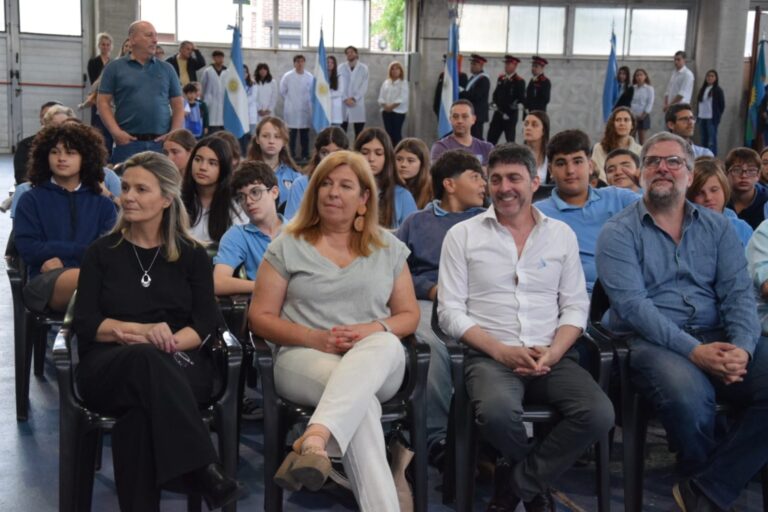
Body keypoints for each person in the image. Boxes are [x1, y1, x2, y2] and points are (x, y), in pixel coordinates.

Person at [595, 132, 768, 512]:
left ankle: (705, 490)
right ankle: (707, 484)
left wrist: (742, 347)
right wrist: (696, 352)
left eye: (674, 162)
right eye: (654, 161)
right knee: (689, 398)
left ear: (690, 174)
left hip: (719, 333)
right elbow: (635, 308)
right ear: (642, 173)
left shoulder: (718, 228)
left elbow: (738, 295)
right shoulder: (617, 232)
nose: (663, 168)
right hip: (650, 342)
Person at [438, 143, 614, 512]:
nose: (504, 188)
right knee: (498, 412)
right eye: (496, 179)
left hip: (551, 354)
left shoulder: (560, 234)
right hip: (490, 356)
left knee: (599, 413)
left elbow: (575, 306)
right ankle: (533, 484)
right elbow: (449, 312)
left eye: (514, 178)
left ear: (535, 182)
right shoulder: (463, 235)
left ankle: (517, 485)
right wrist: (501, 350)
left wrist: (554, 351)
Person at [73, 151, 247, 511]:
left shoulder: (193, 256)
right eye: (125, 188)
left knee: (137, 419)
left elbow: (205, 322)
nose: (128, 197)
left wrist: (166, 340)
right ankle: (202, 467)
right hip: (108, 366)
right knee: (144, 358)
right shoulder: (101, 253)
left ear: (167, 199)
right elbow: (87, 323)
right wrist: (141, 331)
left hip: (179, 360)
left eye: (141, 189)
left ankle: (192, 473)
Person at [248, 150, 420, 511]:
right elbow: (260, 318)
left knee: (386, 342)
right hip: (305, 358)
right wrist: (314, 337)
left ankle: (315, 437)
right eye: (324, 183)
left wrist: (370, 329)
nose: (332, 192)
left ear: (364, 198)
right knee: (362, 405)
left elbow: (408, 316)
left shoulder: (388, 247)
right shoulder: (287, 244)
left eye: (345, 185)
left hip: (377, 361)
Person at [395, 149, 486, 470]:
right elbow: (400, 272)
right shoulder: (417, 223)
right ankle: (437, 439)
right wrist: (430, 289)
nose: (483, 184)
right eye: (475, 176)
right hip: (428, 298)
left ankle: (488, 434)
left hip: (479, 300)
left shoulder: (487, 220)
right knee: (428, 345)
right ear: (449, 183)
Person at [14, 122, 117, 314]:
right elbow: (28, 247)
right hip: (44, 278)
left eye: (70, 153)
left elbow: (108, 250)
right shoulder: (31, 199)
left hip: (93, 276)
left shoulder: (103, 204)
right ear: (45, 156)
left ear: (86, 157)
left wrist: (64, 258)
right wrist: (80, 253)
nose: (61, 158)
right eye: (55, 152)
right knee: (99, 285)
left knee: (100, 283)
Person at [535, 130, 639, 294]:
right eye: (561, 163)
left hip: (627, 292)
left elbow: (669, 214)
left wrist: (646, 184)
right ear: (550, 171)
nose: (570, 170)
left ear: (590, 166)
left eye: (577, 161)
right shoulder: (538, 213)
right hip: (569, 300)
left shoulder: (619, 198)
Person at [98, 21, 183, 165]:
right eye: (149, 35)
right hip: (127, 144)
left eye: (156, 36)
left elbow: (178, 105)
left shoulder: (167, 69)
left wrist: (173, 134)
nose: (155, 40)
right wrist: (116, 133)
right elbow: (102, 102)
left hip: (161, 145)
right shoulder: (114, 68)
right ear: (132, 39)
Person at [213, 161, 283, 296]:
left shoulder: (298, 230)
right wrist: (268, 286)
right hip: (263, 306)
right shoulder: (237, 235)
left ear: (274, 192)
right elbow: (218, 282)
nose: (248, 201)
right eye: (241, 197)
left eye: (255, 192)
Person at [182, 136, 246, 245]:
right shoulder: (178, 200)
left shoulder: (236, 204)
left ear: (223, 168)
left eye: (212, 163)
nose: (202, 167)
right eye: (198, 159)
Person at [355, 128, 417, 229]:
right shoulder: (347, 191)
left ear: (387, 157)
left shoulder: (402, 195)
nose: (371, 159)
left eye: (378, 153)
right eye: (365, 152)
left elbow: (413, 237)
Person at [284, 126, 349, 220]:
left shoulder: (353, 185)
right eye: (324, 152)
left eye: (336, 153)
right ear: (317, 154)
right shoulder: (301, 184)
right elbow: (290, 227)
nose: (329, 159)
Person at [687, 158, 752, 246]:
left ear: (724, 190)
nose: (708, 198)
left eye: (714, 190)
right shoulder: (683, 230)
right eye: (699, 193)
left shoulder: (741, 228)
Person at [246, 116, 302, 209]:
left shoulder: (295, 177)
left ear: (284, 141)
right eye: (265, 136)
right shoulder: (245, 173)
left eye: (277, 137)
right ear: (257, 139)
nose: (271, 141)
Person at [13, 100, 64, 185]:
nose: (49, 119)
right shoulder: (26, 145)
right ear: (41, 120)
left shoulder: (77, 144)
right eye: (45, 116)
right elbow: (21, 176)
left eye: (53, 115)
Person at [430, 99, 493, 166]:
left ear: (473, 119)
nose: (460, 121)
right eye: (455, 116)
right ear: (450, 119)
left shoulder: (487, 148)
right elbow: (438, 174)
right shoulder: (441, 147)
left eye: (464, 116)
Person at [592, 107, 642, 181]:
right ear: (613, 124)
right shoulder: (599, 148)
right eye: (618, 120)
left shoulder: (641, 150)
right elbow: (599, 174)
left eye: (626, 120)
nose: (622, 123)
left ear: (632, 126)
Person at [725, 146, 768, 230]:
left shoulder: (766, 201)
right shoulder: (720, 198)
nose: (744, 176)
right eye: (737, 170)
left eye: (751, 171)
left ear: (758, 175)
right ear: (726, 173)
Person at [280, 55, 313, 162]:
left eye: (302, 61)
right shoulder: (288, 76)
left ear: (304, 63)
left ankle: (305, 155)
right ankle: (291, 156)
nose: (300, 63)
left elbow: (312, 92)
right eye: (298, 61)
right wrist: (291, 101)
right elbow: (282, 91)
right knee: (291, 136)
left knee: (305, 136)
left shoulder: (310, 77)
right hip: (291, 110)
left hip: (305, 110)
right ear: (294, 63)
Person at [487, 55, 526, 145]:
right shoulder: (501, 78)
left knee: (510, 140)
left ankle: (512, 158)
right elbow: (495, 94)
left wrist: (510, 110)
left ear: (515, 66)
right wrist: (495, 103)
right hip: (498, 113)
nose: (506, 66)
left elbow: (521, 99)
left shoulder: (519, 81)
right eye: (506, 64)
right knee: (491, 138)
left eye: (509, 64)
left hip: (510, 115)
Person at [87, 32, 114, 156]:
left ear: (111, 46)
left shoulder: (114, 63)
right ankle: (97, 153)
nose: (105, 47)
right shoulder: (93, 62)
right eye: (103, 44)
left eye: (108, 44)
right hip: (97, 96)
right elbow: (94, 81)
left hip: (111, 99)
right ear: (99, 46)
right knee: (97, 127)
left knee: (109, 127)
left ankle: (108, 153)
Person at [339, 46, 369, 138]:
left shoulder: (364, 68)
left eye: (351, 52)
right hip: (343, 103)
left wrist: (354, 98)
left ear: (356, 54)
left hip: (357, 103)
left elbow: (364, 86)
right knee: (341, 132)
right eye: (347, 53)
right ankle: (342, 151)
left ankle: (357, 151)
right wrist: (344, 98)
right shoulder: (340, 67)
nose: (349, 54)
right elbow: (338, 85)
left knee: (359, 133)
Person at [459, 54, 491, 140]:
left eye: (474, 64)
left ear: (481, 65)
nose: (472, 66)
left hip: (478, 114)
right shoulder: (472, 78)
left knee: (477, 137)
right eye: (471, 64)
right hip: (471, 112)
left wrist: (462, 92)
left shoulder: (483, 79)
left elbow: (476, 96)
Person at [395, 138, 432, 209]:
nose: (403, 164)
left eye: (410, 161)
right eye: (399, 159)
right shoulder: (387, 187)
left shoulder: (432, 190)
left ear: (422, 164)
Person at [378, 61, 409, 146]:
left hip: (398, 112)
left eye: (397, 69)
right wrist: (386, 106)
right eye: (392, 69)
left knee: (396, 133)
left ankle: (398, 152)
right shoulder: (386, 82)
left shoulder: (403, 83)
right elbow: (381, 97)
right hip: (386, 111)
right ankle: (390, 152)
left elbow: (402, 98)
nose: (394, 71)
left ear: (400, 71)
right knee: (388, 134)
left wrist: (391, 107)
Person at [696, 69, 725, 156]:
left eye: (712, 76)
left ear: (716, 78)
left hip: (711, 118)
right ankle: (704, 158)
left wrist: (717, 116)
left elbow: (722, 105)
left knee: (711, 141)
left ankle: (712, 159)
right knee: (703, 139)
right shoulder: (703, 89)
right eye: (708, 76)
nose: (710, 78)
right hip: (702, 117)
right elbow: (699, 103)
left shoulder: (718, 90)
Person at [433, 54, 468, 118]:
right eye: (445, 63)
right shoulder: (442, 75)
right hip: (442, 109)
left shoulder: (461, 76)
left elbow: (463, 95)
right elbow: (438, 93)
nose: (445, 65)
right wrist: (436, 108)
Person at [200, 50, 227, 133]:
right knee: (211, 126)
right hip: (210, 102)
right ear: (214, 58)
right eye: (218, 57)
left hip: (223, 102)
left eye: (221, 57)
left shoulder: (228, 71)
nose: (220, 59)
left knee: (223, 127)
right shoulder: (208, 71)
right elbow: (202, 87)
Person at [523, 110, 550, 183]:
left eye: (534, 125)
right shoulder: (517, 155)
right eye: (526, 124)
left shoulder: (551, 157)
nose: (528, 128)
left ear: (544, 131)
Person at [629, 68, 654, 144]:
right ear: (635, 77)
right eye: (637, 75)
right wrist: (631, 114)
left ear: (645, 76)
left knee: (642, 140)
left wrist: (643, 115)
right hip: (632, 116)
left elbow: (650, 103)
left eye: (641, 75)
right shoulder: (632, 88)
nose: (639, 77)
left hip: (643, 116)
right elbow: (629, 102)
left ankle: (642, 155)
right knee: (631, 138)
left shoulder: (649, 89)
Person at [251, 63, 279, 129]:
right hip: (257, 112)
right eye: (261, 69)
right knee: (257, 130)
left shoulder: (273, 82)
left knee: (269, 129)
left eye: (265, 69)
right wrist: (259, 109)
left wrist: (269, 110)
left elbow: (274, 97)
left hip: (269, 112)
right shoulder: (253, 82)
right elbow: (253, 97)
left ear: (267, 71)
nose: (263, 71)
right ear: (258, 71)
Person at [327, 55, 345, 126]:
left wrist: (327, 94)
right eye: (328, 62)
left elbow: (340, 92)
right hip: (324, 109)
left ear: (335, 64)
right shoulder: (321, 77)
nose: (329, 64)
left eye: (332, 62)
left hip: (335, 109)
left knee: (335, 133)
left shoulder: (339, 76)